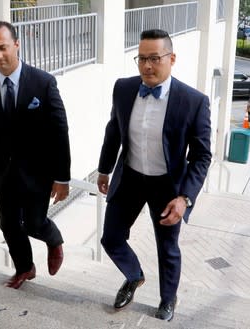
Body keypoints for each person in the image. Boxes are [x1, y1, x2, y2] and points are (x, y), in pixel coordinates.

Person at [97, 29, 211, 321]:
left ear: (171, 59)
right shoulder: (123, 88)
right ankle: (133, 275)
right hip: (131, 177)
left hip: (167, 186)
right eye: (142, 59)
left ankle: (168, 299)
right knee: (110, 237)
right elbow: (114, 130)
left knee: (167, 247)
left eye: (155, 59)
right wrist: (104, 168)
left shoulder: (194, 101)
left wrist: (185, 197)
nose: (147, 65)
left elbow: (201, 156)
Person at [0, 21, 71, 289]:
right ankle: (25, 267)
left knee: (34, 223)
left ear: (16, 44)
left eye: (2, 47)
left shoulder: (44, 82)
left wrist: (62, 177)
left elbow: (60, 132)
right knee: (9, 225)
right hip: (2, 169)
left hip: (39, 170)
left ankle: (54, 238)